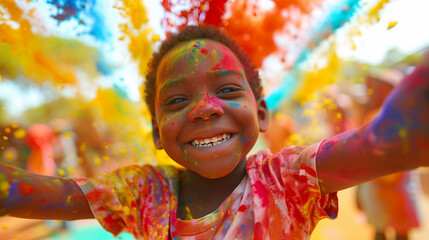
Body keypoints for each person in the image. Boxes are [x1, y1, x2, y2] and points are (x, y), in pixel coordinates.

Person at [0, 25, 428, 240]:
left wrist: (400, 133)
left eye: (226, 90)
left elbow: (381, 145)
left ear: (261, 114)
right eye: (176, 101)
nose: (205, 109)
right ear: (155, 132)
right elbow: (23, 192)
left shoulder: (287, 179)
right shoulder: (143, 193)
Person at [355, 69, 422, 240]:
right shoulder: (372, 116)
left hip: (399, 189)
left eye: (384, 89)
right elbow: (362, 153)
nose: (378, 92)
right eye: (378, 88)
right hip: (377, 188)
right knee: (379, 231)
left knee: (402, 233)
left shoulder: (408, 118)